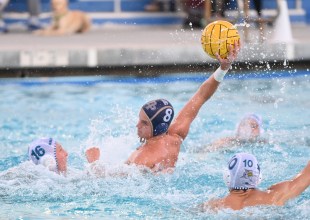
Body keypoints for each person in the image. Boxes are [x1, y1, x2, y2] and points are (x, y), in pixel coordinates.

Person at [86, 41, 240, 174]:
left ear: (158, 127)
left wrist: (94, 163)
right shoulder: (175, 135)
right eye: (140, 120)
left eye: (144, 123)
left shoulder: (141, 159)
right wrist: (224, 68)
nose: (137, 125)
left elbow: (107, 179)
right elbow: (201, 96)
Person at [199, 152, 310, 211]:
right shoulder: (274, 197)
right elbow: (307, 175)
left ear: (227, 177)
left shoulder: (212, 207)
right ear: (258, 177)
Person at [202, 113, 266, 152]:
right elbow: (208, 149)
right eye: (244, 124)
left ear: (260, 131)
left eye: (253, 126)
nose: (248, 129)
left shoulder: (264, 143)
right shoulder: (228, 140)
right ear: (238, 127)